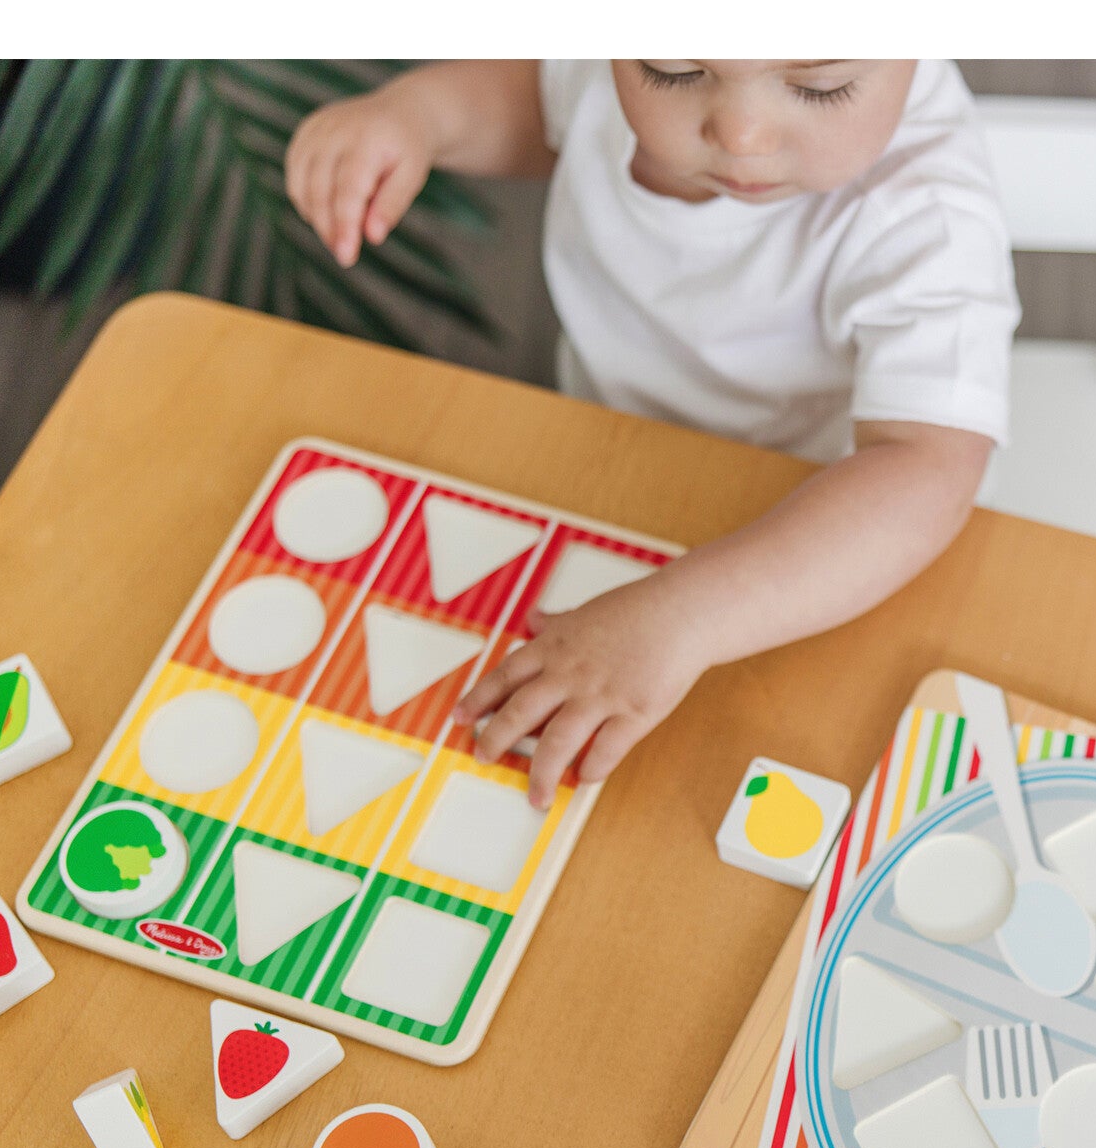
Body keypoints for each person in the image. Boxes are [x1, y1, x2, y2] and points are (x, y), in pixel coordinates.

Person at [286, 60, 1019, 808]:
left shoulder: (925, 218)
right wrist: (420, 115)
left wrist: (685, 619)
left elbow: (928, 467)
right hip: (617, 463)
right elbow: (543, 104)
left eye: (821, 87)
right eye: (673, 70)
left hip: (821, 561)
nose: (740, 134)